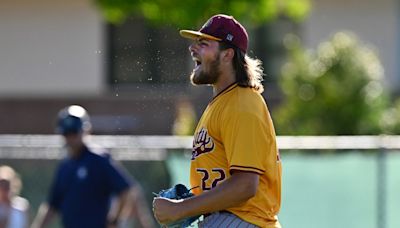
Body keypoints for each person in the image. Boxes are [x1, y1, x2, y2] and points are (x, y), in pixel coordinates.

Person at [153, 14, 282, 227]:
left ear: (227, 54)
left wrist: (181, 209)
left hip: (244, 221)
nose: (192, 49)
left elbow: (245, 185)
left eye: (204, 43)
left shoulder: (243, 104)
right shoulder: (223, 102)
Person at [31, 105, 155, 228]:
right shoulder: (65, 166)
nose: (71, 138)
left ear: (85, 130)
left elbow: (127, 191)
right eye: (67, 134)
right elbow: (52, 204)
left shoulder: (98, 159)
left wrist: (114, 220)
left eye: (74, 133)